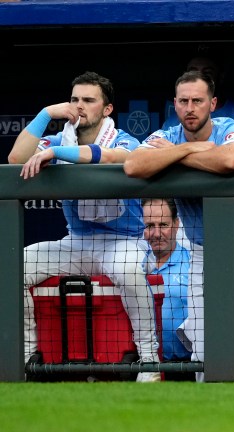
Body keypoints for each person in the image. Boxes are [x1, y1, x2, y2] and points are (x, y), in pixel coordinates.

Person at [8, 71, 160, 382]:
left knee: (129, 270)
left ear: (106, 110)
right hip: (76, 243)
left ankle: (149, 360)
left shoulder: (123, 138)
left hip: (124, 242)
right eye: (75, 99)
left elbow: (111, 157)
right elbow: (15, 159)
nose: (79, 106)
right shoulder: (60, 138)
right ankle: (26, 357)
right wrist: (46, 114)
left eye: (88, 100)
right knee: (15, 266)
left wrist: (57, 153)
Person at [123, 71, 234, 382]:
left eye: (197, 101)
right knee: (203, 350)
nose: (190, 107)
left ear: (212, 103)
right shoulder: (167, 133)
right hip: (202, 253)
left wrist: (174, 155)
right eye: (183, 101)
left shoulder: (230, 127)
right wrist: (190, 150)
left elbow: (232, 159)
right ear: (175, 105)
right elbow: (133, 165)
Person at [161, 55, 234, 162]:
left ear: (221, 76)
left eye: (207, 73)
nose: (199, 77)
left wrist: (176, 154)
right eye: (193, 72)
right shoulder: (171, 125)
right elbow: (146, 161)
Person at [141, 198, 194, 380]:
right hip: (145, 367)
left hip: (188, 368)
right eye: (149, 226)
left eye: (163, 224)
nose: (156, 233)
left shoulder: (194, 264)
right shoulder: (134, 266)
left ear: (176, 224)